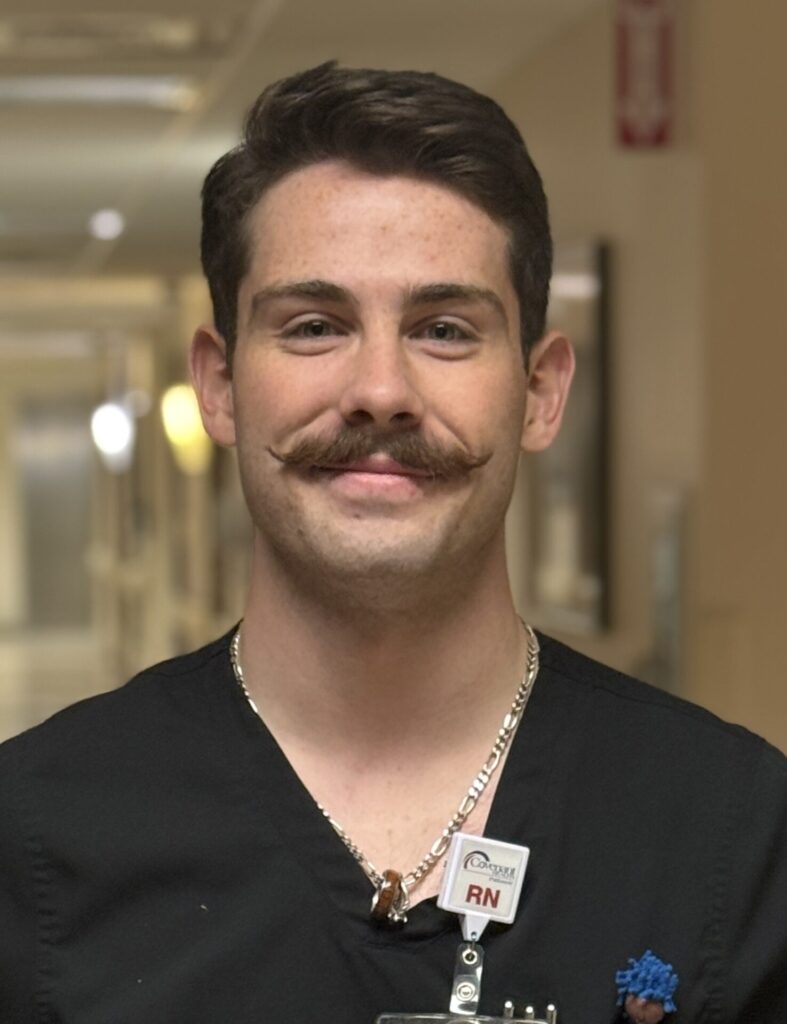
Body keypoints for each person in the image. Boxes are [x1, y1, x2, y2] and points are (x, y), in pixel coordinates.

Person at [0, 62, 784, 1024]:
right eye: (314, 326)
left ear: (539, 393)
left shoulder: (728, 832)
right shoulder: (36, 838)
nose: (380, 391)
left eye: (444, 329)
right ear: (219, 386)